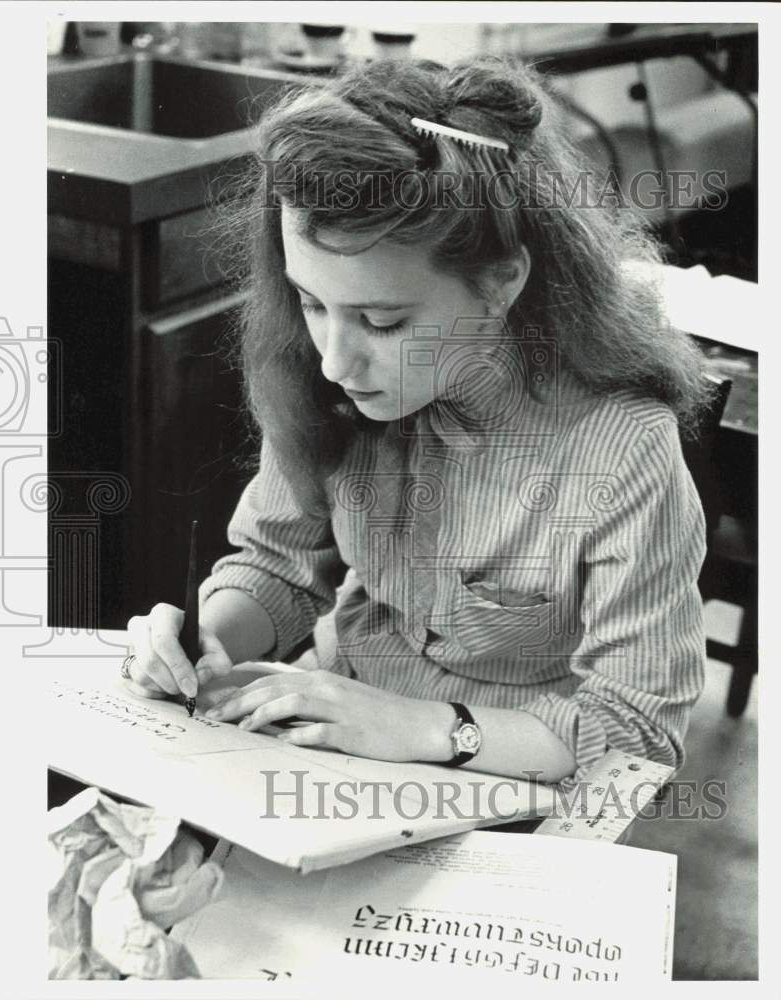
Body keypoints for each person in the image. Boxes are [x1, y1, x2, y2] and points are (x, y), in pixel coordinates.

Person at [124, 56, 713, 789]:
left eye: (381, 321)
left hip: (511, 784)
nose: (336, 360)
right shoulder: (323, 380)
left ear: (502, 282)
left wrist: (428, 729)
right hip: (331, 748)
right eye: (311, 303)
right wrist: (211, 635)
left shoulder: (622, 450)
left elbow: (638, 734)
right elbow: (277, 562)